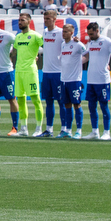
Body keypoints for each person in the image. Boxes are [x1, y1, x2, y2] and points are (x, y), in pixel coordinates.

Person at [82, 22, 111, 139]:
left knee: (104, 106)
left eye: (91, 34)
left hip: (103, 80)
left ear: (97, 31)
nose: (90, 36)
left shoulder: (107, 41)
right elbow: (87, 56)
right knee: (91, 106)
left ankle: (107, 132)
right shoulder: (90, 43)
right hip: (91, 79)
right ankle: (95, 131)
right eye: (88, 34)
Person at [36, 8, 64, 137]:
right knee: (48, 102)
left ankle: (64, 128)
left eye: (48, 19)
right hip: (46, 71)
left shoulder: (60, 33)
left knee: (61, 101)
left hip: (58, 72)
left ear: (54, 19)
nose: (46, 21)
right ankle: (49, 129)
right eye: (44, 19)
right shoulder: (45, 33)